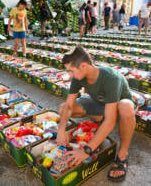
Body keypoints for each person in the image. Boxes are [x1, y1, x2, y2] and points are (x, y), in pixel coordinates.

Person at [56, 46, 135, 182]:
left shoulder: (111, 77)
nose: (69, 75)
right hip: (100, 104)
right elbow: (69, 105)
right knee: (63, 109)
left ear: (83, 66)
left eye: (71, 71)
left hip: (117, 106)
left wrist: (86, 150)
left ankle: (123, 153)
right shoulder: (78, 76)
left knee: (126, 106)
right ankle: (99, 118)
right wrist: (61, 129)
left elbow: (110, 120)